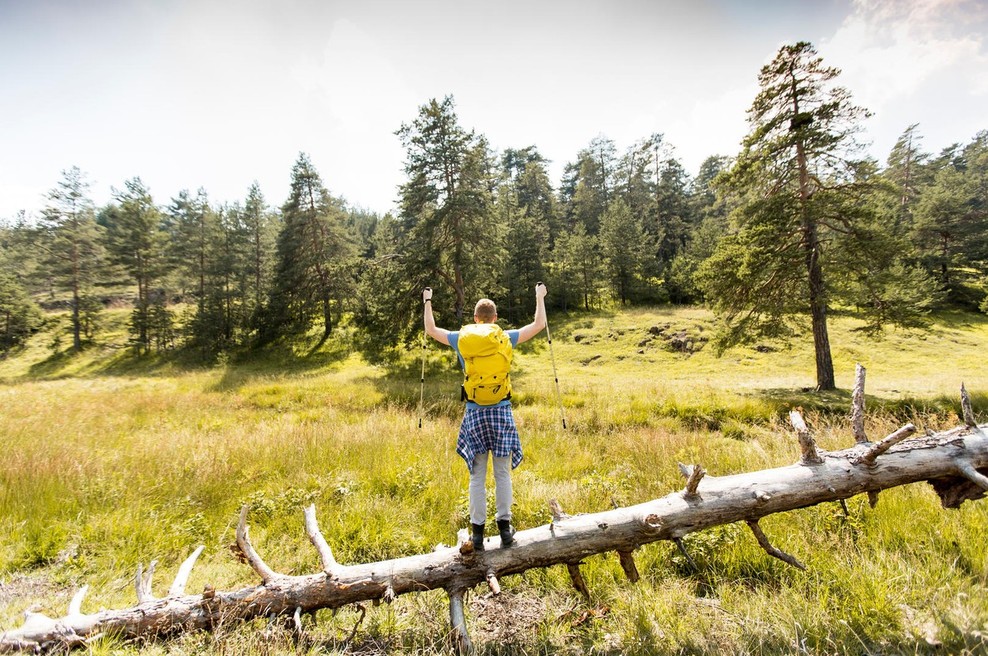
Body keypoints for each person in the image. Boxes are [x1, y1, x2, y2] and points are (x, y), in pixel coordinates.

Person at [423, 284, 547, 550]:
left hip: (474, 413)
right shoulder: (505, 337)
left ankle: (477, 533)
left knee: (477, 475)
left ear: (475, 319)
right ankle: (505, 529)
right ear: (495, 318)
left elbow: (431, 330)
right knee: (502, 473)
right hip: (501, 410)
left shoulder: (462, 339)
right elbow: (538, 325)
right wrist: (539, 296)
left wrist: (427, 301)